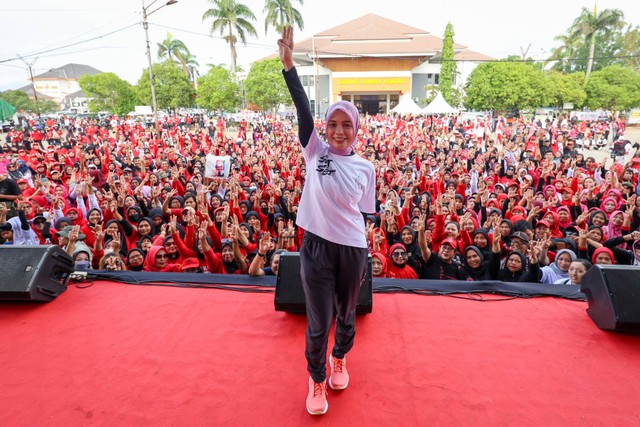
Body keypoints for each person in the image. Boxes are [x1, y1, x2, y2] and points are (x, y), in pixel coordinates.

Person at [279, 25, 376, 416]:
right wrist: (289, 67)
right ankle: (316, 378)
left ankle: (341, 358)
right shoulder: (314, 150)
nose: (338, 131)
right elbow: (303, 108)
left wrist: (368, 253)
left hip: (353, 249)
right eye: (332, 124)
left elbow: (364, 214)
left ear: (355, 129)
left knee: (347, 316)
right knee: (319, 320)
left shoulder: (367, 168)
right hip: (316, 248)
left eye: (345, 125)